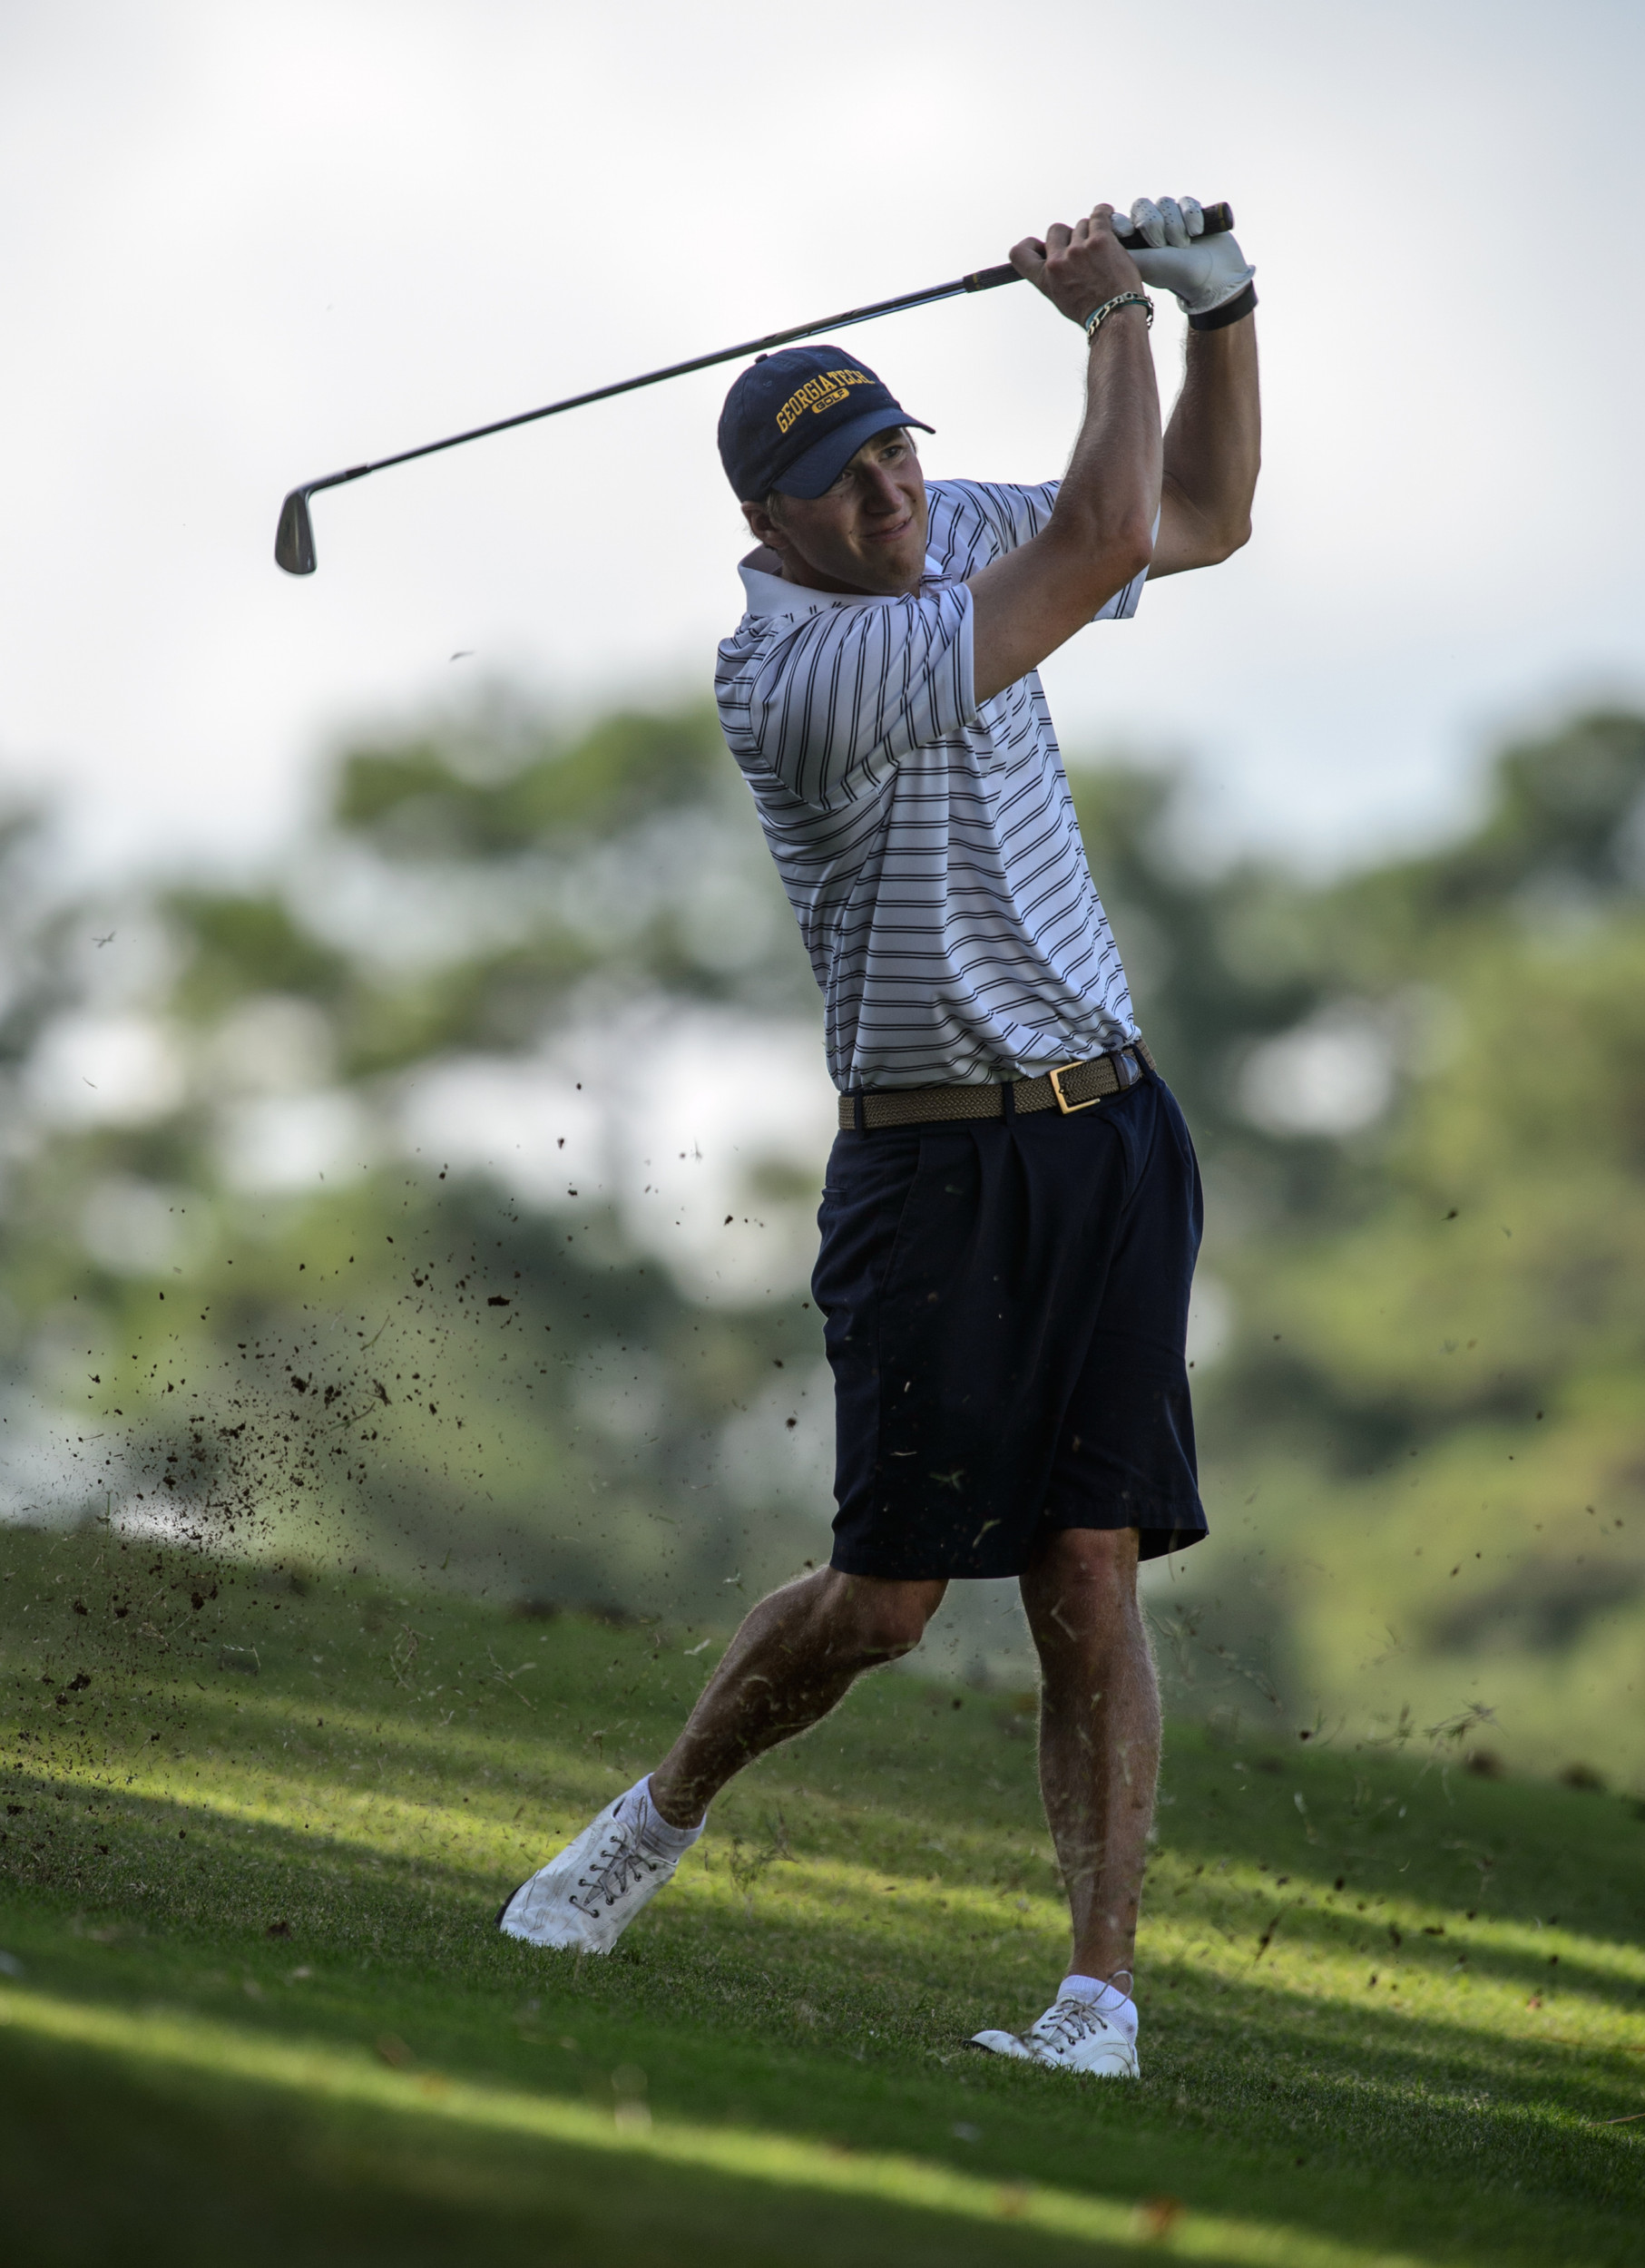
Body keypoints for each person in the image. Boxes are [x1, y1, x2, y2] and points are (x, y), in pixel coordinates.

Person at [500, 196, 1260, 2081]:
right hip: (930, 1173)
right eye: (842, 482)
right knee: (890, 1601)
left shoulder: (967, 525)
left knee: (1089, 1567)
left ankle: (1098, 2003)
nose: (891, 495)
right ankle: (658, 1815)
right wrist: (1113, 322)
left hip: (1112, 1136)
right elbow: (1104, 534)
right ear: (769, 525)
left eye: (898, 451)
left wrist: (1220, 308)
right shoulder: (786, 679)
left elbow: (1200, 513)